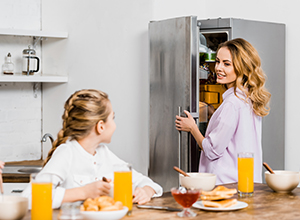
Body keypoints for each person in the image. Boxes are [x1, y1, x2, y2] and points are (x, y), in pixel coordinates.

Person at [22, 89, 163, 208]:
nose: (114, 125)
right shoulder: (67, 153)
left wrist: (146, 191)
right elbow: (29, 197)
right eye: (113, 118)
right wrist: (83, 192)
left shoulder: (103, 153)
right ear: (100, 126)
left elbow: (146, 182)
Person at [175, 38, 271, 185]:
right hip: (246, 182)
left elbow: (212, 151)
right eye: (218, 61)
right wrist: (214, 114)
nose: (218, 68)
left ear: (242, 68)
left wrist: (192, 128)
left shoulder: (232, 104)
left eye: (227, 64)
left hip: (226, 185)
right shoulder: (248, 98)